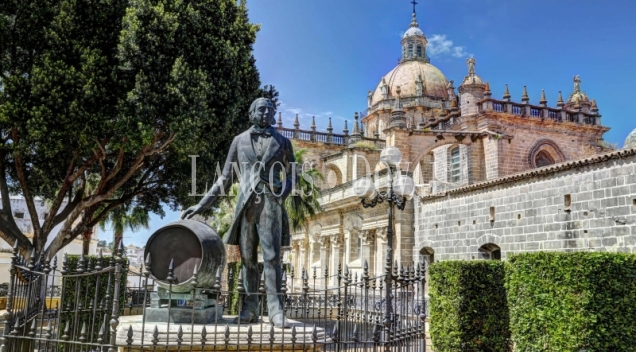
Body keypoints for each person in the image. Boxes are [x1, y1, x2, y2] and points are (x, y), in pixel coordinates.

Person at [182, 97, 295, 328]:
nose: (266, 112)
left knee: (272, 257)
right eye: (261, 109)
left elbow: (292, 174)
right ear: (251, 113)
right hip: (245, 205)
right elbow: (224, 178)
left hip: (271, 204)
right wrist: (201, 205)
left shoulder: (283, 142)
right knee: (247, 259)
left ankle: (275, 311)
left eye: (270, 109)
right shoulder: (239, 140)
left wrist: (281, 195)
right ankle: (249, 309)